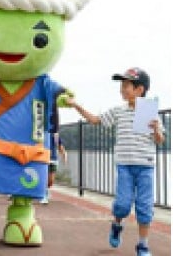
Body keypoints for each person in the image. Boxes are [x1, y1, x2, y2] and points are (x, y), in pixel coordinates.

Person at [67, 67, 164, 256]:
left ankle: (143, 245)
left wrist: (156, 130)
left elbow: (160, 140)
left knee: (144, 207)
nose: (122, 88)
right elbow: (96, 120)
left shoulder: (151, 112)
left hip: (146, 166)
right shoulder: (118, 111)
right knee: (122, 205)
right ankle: (117, 225)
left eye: (126, 85)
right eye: (122, 85)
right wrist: (76, 105)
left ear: (140, 89)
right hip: (124, 166)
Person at [40, 133, 67, 204]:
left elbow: (59, 145)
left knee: (51, 181)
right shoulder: (41, 133)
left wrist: (64, 154)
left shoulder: (55, 135)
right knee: (44, 178)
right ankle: (44, 195)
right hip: (43, 158)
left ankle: (46, 190)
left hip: (53, 159)